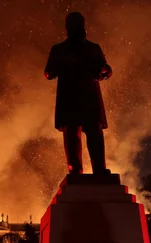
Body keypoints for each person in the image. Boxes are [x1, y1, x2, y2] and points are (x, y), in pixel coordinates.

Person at [44, 12, 112, 175]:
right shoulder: (59, 49)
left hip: (89, 96)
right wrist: (64, 65)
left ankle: (99, 169)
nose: (77, 28)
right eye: (74, 25)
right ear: (68, 28)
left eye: (78, 24)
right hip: (70, 98)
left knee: (94, 133)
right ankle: (75, 171)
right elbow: (49, 72)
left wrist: (104, 70)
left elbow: (106, 69)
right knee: (72, 135)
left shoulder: (93, 48)